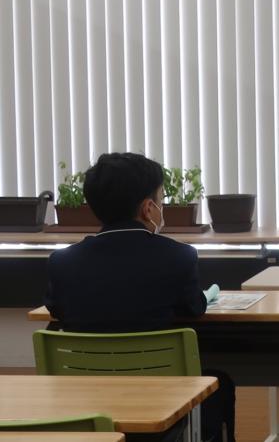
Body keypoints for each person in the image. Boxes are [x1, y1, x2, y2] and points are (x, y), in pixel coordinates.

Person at [44, 153, 234, 442]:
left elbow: (56, 310)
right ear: (148, 208)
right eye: (161, 200)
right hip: (161, 401)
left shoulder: (62, 263)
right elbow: (194, 307)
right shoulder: (178, 257)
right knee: (220, 381)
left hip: (85, 402)